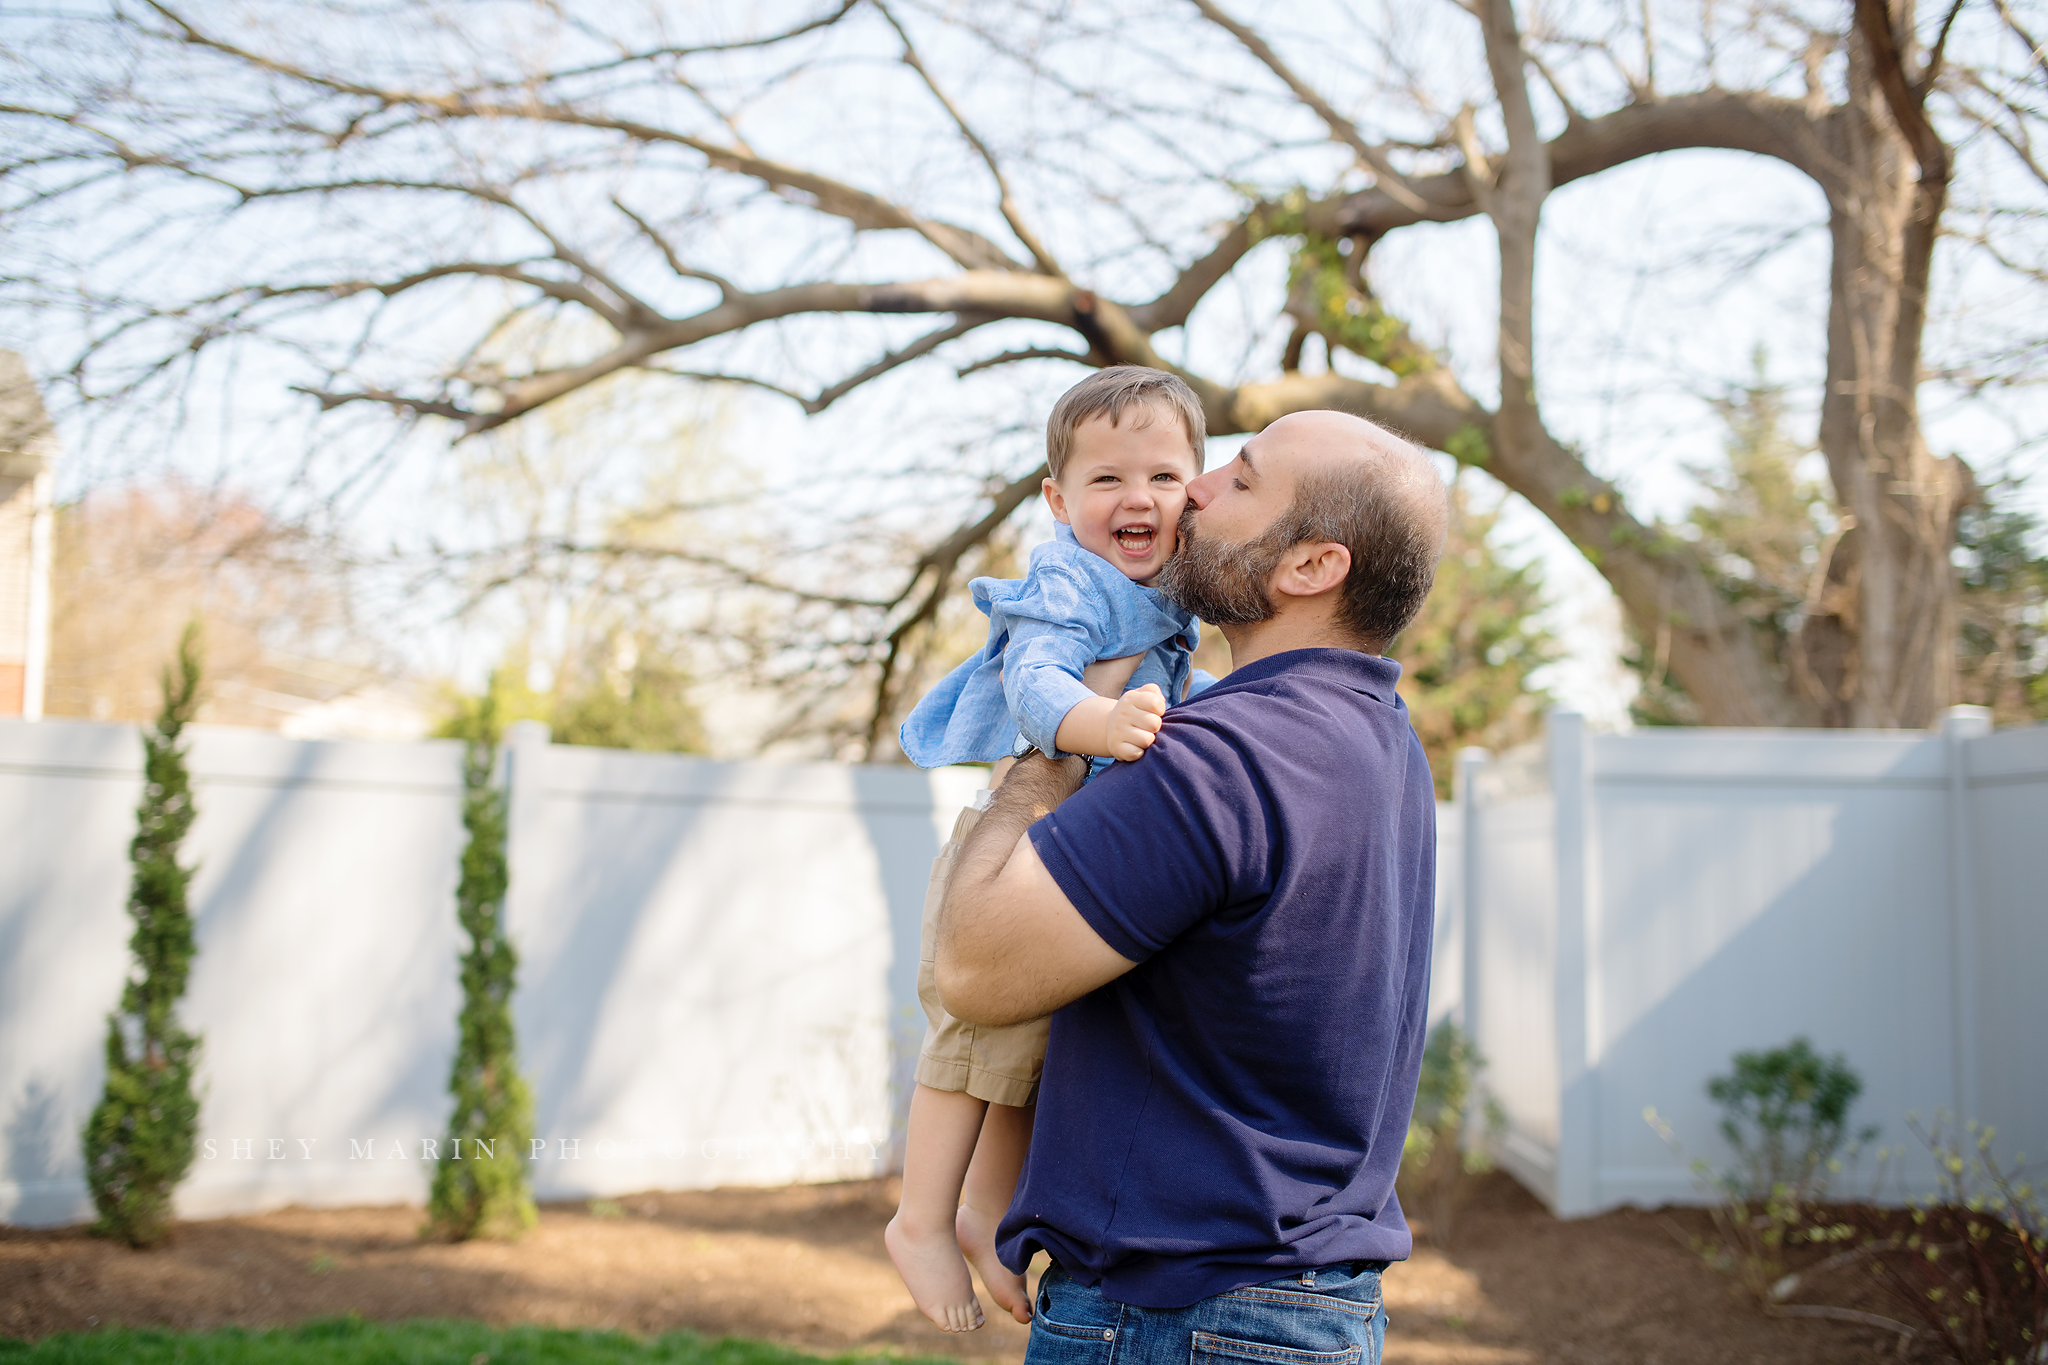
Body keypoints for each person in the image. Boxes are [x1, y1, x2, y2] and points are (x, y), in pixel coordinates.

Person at [932, 410, 1449, 1365]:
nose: (1194, 491)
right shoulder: (1377, 737)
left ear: (1309, 567)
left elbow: (972, 963)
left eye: (1242, 482)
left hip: (1178, 1320)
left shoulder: (1223, 760)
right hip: (1299, 1308)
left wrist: (1057, 730)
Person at [887, 366, 1215, 1333]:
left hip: (1081, 858)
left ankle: (991, 1209)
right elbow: (1033, 678)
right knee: (975, 1032)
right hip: (1017, 843)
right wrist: (1097, 718)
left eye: (1162, 476)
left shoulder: (1172, 593)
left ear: (1194, 489)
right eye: (1107, 480)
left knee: (1033, 1049)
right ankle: (919, 1217)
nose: (1138, 499)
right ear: (1058, 499)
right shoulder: (1071, 577)